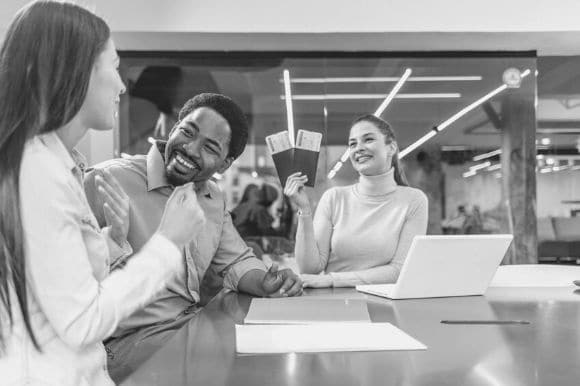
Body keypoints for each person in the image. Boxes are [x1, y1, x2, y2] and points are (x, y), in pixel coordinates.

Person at [0, 2, 204, 385]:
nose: (122, 85)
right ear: (75, 72)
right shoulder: (36, 171)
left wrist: (110, 241)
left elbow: (48, 281)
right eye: (113, 66)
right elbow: (82, 320)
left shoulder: (55, 164)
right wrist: (168, 242)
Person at [83, 93, 303, 378]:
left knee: (275, 359)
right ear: (173, 129)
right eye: (187, 132)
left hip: (189, 327)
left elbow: (236, 260)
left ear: (225, 164)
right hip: (125, 341)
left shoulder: (213, 198)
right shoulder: (106, 181)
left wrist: (266, 282)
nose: (190, 148)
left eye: (210, 147)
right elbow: (68, 286)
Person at [285, 114, 428, 288]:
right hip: (336, 305)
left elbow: (399, 271)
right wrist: (304, 210)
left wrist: (331, 280)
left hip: (385, 307)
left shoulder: (414, 200)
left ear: (391, 148)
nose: (358, 148)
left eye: (368, 139)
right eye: (353, 144)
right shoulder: (334, 198)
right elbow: (310, 269)